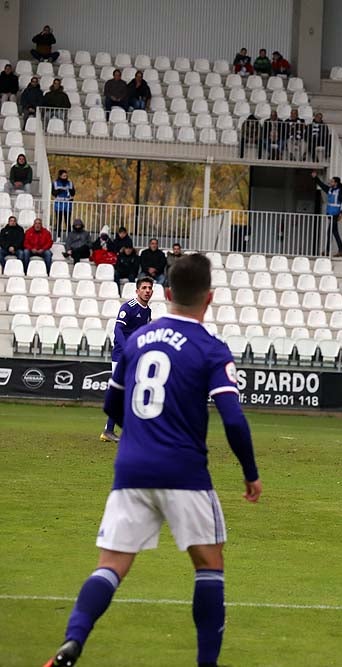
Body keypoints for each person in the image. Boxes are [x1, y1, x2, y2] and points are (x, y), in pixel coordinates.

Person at [43, 253, 261, 667]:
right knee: (209, 565)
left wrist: (140, 437)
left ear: (164, 294)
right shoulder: (211, 348)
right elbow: (233, 419)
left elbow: (113, 403)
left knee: (111, 566)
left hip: (131, 470)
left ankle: (72, 641)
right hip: (185, 472)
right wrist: (250, 474)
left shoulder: (138, 341)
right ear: (209, 298)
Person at [100, 277, 153, 443]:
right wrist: (127, 350)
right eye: (143, 287)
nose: (147, 290)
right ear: (137, 291)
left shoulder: (147, 311)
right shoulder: (128, 307)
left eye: (149, 288)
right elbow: (118, 330)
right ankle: (110, 430)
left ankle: (113, 430)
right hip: (121, 356)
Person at [312, 171, 342, 257]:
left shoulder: (339, 192)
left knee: (331, 233)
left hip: (335, 215)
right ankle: (338, 250)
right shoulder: (330, 190)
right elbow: (322, 185)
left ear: (336, 183)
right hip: (330, 215)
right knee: (334, 233)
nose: (330, 182)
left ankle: (333, 251)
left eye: (332, 181)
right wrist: (315, 177)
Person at [52, 169, 76, 239]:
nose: (65, 177)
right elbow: (53, 193)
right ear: (60, 176)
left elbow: (73, 193)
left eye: (66, 176)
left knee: (67, 222)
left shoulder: (70, 183)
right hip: (59, 204)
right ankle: (58, 237)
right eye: (63, 176)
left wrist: (70, 190)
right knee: (58, 221)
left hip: (68, 204)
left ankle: (69, 237)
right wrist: (60, 190)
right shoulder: (55, 183)